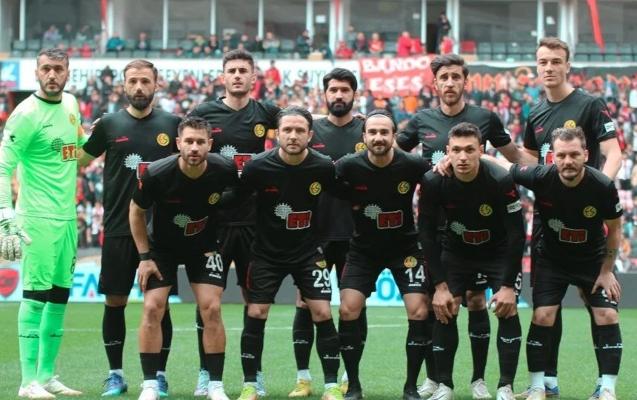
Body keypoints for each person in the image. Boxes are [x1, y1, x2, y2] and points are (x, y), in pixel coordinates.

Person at [397, 53, 529, 399]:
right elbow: (394, 157)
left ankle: (486, 381)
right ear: (435, 84)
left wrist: (548, 176)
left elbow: (516, 158)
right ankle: (437, 380)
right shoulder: (421, 121)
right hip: (445, 231)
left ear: (465, 81)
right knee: (439, 304)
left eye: (456, 77)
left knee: (479, 301)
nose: (450, 83)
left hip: (487, 229)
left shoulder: (486, 119)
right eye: (444, 78)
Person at [521, 37, 622, 399]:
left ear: (567, 65)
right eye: (543, 62)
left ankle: (604, 386)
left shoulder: (590, 105)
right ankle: (546, 382)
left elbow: (613, 153)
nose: (548, 67)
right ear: (537, 66)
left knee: (598, 305)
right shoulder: (534, 113)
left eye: (555, 61)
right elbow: (529, 162)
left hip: (588, 223)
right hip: (549, 223)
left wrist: (595, 192)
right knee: (547, 309)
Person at [493, 127, 623, 400]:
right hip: (552, 260)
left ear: (585, 154)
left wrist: (607, 270)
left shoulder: (602, 185)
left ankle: (607, 389)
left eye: (574, 154)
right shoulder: (541, 176)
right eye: (561, 155)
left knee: (607, 315)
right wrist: (466, 158)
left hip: (591, 260)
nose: (568, 161)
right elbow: (504, 165)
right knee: (543, 316)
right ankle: (538, 387)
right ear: (552, 157)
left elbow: (615, 228)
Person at [78, 59, 182, 397]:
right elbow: (79, 159)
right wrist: (72, 132)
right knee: (115, 301)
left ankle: (159, 375)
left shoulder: (172, 124)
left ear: (156, 84)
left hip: (161, 232)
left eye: (145, 81)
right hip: (119, 227)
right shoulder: (108, 125)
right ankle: (115, 375)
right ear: (123, 85)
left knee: (159, 304)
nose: (139, 87)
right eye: (133, 81)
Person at [189, 48, 280, 397]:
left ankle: (253, 376)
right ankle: (205, 373)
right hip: (213, 222)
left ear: (254, 77)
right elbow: (179, 140)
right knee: (208, 302)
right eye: (232, 70)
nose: (238, 76)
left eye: (244, 70)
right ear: (223, 77)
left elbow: (302, 124)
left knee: (253, 301)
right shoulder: (203, 113)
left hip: (255, 222)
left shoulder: (266, 112)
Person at [236, 106, 342, 400]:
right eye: (287, 130)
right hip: (266, 253)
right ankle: (250, 384)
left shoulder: (323, 167)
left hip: (308, 252)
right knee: (256, 312)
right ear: (277, 134)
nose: (293, 136)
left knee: (322, 312)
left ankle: (331, 385)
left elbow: (344, 194)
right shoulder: (258, 167)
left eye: (299, 131)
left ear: (310, 135)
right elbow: (237, 199)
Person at [130, 116, 239, 400]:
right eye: (188, 141)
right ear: (178, 143)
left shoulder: (224, 168)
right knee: (152, 307)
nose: (194, 147)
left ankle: (215, 385)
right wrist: (144, 257)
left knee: (212, 308)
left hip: (204, 247)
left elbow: (238, 195)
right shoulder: (156, 173)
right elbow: (136, 212)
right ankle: (150, 385)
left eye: (200, 142)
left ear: (210, 144)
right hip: (162, 248)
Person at [0, 48, 84, 398]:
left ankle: (47, 376)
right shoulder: (25, 114)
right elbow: (3, 166)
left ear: (67, 72)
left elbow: (78, 151)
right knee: (35, 298)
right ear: (37, 72)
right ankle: (27, 383)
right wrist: (5, 215)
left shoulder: (72, 105)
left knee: (59, 297)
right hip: (36, 218)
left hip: (67, 219)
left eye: (58, 69)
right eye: (46, 68)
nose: (52, 74)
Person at [419, 122, 525, 400]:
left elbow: (517, 234)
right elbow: (426, 234)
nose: (462, 157)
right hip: (456, 252)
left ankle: (504, 386)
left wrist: (507, 286)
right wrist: (439, 286)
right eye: (456, 150)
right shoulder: (433, 181)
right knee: (446, 307)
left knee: (507, 309)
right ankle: (445, 385)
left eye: (469, 150)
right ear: (447, 151)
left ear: (481, 150)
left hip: (497, 253)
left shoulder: (500, 180)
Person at [335, 109, 429, 400]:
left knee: (419, 311)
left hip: (405, 249)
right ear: (363, 137)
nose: (378, 137)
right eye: (373, 132)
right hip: (363, 250)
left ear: (393, 136)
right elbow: (327, 187)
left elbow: (440, 180)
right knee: (348, 309)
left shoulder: (412, 164)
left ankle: (411, 387)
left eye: (384, 132)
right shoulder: (348, 166)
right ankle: (353, 385)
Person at [288, 68, 365, 397]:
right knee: (306, 304)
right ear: (325, 94)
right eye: (333, 90)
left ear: (354, 94)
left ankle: (349, 377)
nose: (339, 95)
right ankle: (303, 378)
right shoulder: (311, 129)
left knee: (353, 307)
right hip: (313, 236)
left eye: (345, 90)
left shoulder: (367, 129)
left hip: (355, 235)